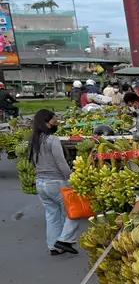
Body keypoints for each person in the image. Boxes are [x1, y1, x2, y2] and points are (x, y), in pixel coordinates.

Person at [27, 109, 85, 256]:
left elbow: (33, 162)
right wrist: (72, 179)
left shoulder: (34, 140)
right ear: (47, 124)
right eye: (54, 122)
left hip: (41, 183)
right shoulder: (52, 140)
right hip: (56, 182)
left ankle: (53, 246)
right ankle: (65, 240)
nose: (56, 124)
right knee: (75, 211)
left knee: (51, 214)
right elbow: (61, 163)